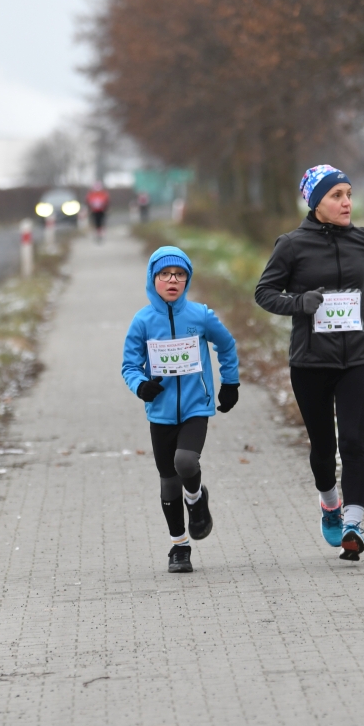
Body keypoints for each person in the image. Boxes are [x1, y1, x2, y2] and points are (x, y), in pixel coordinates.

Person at [255, 165, 364, 561]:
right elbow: (264, 292)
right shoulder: (291, 245)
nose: (347, 202)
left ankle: (353, 525)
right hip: (311, 362)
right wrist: (299, 303)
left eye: (348, 194)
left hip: (357, 359)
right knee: (324, 447)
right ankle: (330, 504)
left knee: (353, 442)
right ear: (316, 202)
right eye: (336, 195)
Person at [122, 245, 240, 573]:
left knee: (185, 461)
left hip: (195, 407)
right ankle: (179, 546)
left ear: (187, 280)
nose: (172, 280)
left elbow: (226, 345)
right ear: (153, 279)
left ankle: (196, 499)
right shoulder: (143, 321)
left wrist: (230, 383)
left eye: (179, 274)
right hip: (160, 412)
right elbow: (129, 365)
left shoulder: (200, 315)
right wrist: (141, 386)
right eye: (165, 274)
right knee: (169, 481)